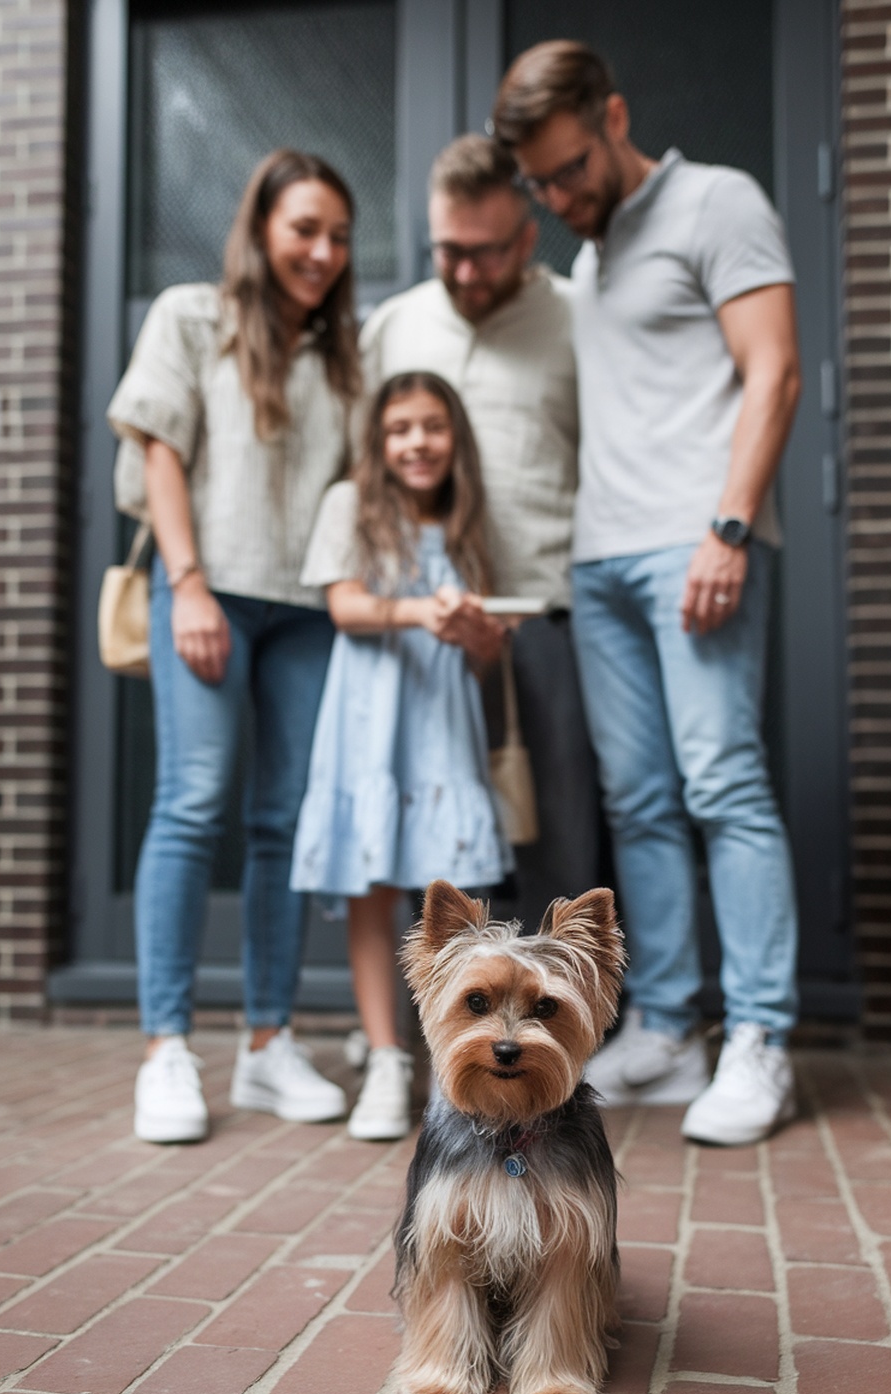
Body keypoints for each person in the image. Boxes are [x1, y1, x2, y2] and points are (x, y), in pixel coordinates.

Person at [493, 42, 803, 1146]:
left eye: (572, 169)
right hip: (602, 558)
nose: (562, 196)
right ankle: (670, 1029)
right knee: (640, 806)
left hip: (694, 542)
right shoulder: (589, 261)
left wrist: (728, 528)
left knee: (722, 780)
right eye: (542, 184)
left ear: (614, 116)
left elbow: (773, 369)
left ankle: (760, 1036)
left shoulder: (718, 202)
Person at [107, 150, 359, 1143]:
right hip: (206, 591)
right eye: (305, 229)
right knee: (192, 801)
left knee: (281, 820)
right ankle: (167, 1048)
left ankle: (267, 1046)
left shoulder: (346, 354)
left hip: (305, 609)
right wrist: (188, 585)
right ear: (261, 228)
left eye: (339, 235)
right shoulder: (189, 316)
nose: (324, 252)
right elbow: (159, 452)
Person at [359, 134, 600, 930]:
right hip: (422, 630)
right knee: (437, 843)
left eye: (486, 253)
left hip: (543, 617)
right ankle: (443, 1042)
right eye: (448, 251)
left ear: (528, 236)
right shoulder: (393, 325)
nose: (464, 273)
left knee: (559, 833)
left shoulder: (576, 316)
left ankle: (566, 1043)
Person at [290, 371, 510, 1140]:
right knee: (374, 884)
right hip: (370, 716)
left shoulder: (469, 520)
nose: (417, 443)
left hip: (442, 720)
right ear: (379, 443)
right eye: (400, 429)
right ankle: (385, 1056)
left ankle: (452, 1058)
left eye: (432, 427)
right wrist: (426, 611)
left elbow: (485, 655)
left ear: (456, 440)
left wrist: (478, 635)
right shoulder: (349, 504)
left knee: (451, 891)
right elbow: (346, 606)